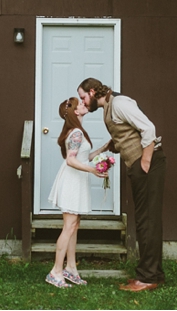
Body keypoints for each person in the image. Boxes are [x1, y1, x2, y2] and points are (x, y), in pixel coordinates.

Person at [77, 78, 165, 292]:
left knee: (147, 220)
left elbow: (148, 129)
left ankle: (147, 278)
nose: (83, 102)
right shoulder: (109, 107)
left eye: (82, 98)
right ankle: (154, 273)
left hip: (147, 165)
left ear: (92, 92)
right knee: (146, 219)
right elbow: (121, 137)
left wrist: (144, 163)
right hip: (139, 165)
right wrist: (98, 152)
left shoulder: (119, 103)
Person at [45, 97, 110, 288]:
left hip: (77, 180)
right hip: (72, 181)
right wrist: (94, 170)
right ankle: (55, 271)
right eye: (79, 104)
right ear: (75, 112)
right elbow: (71, 161)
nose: (83, 104)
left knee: (74, 225)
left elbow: (84, 156)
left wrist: (105, 147)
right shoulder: (76, 134)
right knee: (69, 226)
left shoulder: (78, 132)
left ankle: (71, 268)